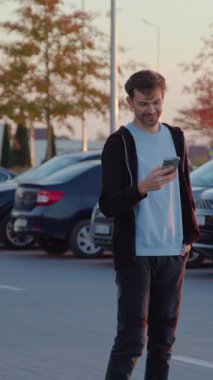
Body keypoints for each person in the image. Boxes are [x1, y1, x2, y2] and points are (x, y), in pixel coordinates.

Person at [99, 70, 199, 380]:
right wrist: (141, 188)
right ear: (130, 101)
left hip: (173, 252)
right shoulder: (119, 143)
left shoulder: (176, 136)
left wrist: (189, 234)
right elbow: (108, 204)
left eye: (156, 102)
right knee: (131, 342)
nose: (151, 110)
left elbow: (184, 188)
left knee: (163, 344)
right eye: (144, 103)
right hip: (136, 255)